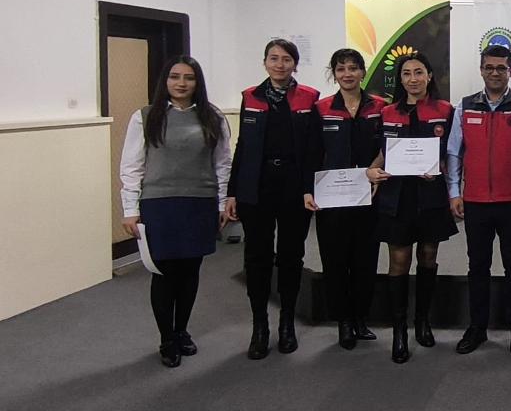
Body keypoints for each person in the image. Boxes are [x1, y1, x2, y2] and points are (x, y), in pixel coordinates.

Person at [119, 56, 231, 367]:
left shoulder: (213, 117)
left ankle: (182, 330)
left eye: (189, 78)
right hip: (159, 204)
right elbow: (131, 167)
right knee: (164, 273)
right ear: (165, 81)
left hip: (199, 204)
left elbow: (222, 164)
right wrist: (130, 209)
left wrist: (220, 203)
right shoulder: (145, 117)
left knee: (190, 272)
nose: (181, 83)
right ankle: (166, 338)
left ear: (198, 83)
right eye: (174, 77)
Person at [227, 39, 320, 360]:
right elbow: (242, 146)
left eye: (286, 60)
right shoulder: (250, 97)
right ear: (265, 62)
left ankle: (286, 324)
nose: (280, 65)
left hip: (294, 188)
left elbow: (313, 150)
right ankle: (260, 326)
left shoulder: (310, 98)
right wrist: (232, 191)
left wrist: (311, 186)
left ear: (295, 64)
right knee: (257, 257)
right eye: (274, 59)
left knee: (291, 257)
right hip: (257, 188)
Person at [365, 52, 457, 364]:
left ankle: (422, 322)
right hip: (397, 196)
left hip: (431, 195)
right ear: (400, 79)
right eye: (407, 74)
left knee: (428, 257)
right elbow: (383, 152)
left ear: (430, 76)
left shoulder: (446, 111)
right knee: (399, 262)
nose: (413, 79)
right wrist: (371, 170)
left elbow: (453, 153)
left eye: (419, 72)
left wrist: (444, 169)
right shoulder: (387, 111)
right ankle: (400, 330)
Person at [446, 44, 511, 356]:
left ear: (510, 71)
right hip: (475, 203)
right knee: (478, 266)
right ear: (481, 70)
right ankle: (477, 328)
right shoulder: (465, 107)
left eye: (501, 68)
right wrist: (454, 193)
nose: (495, 73)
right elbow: (454, 154)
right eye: (489, 67)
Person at [302, 49, 385, 350]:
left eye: (353, 68)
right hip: (332, 198)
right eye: (341, 69)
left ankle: (360, 318)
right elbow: (312, 152)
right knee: (336, 260)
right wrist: (307, 189)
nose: (347, 74)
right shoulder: (322, 108)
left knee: (365, 259)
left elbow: (388, 145)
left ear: (363, 72)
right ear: (334, 74)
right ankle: (343, 322)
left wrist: (376, 167)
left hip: (368, 195)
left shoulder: (380, 107)